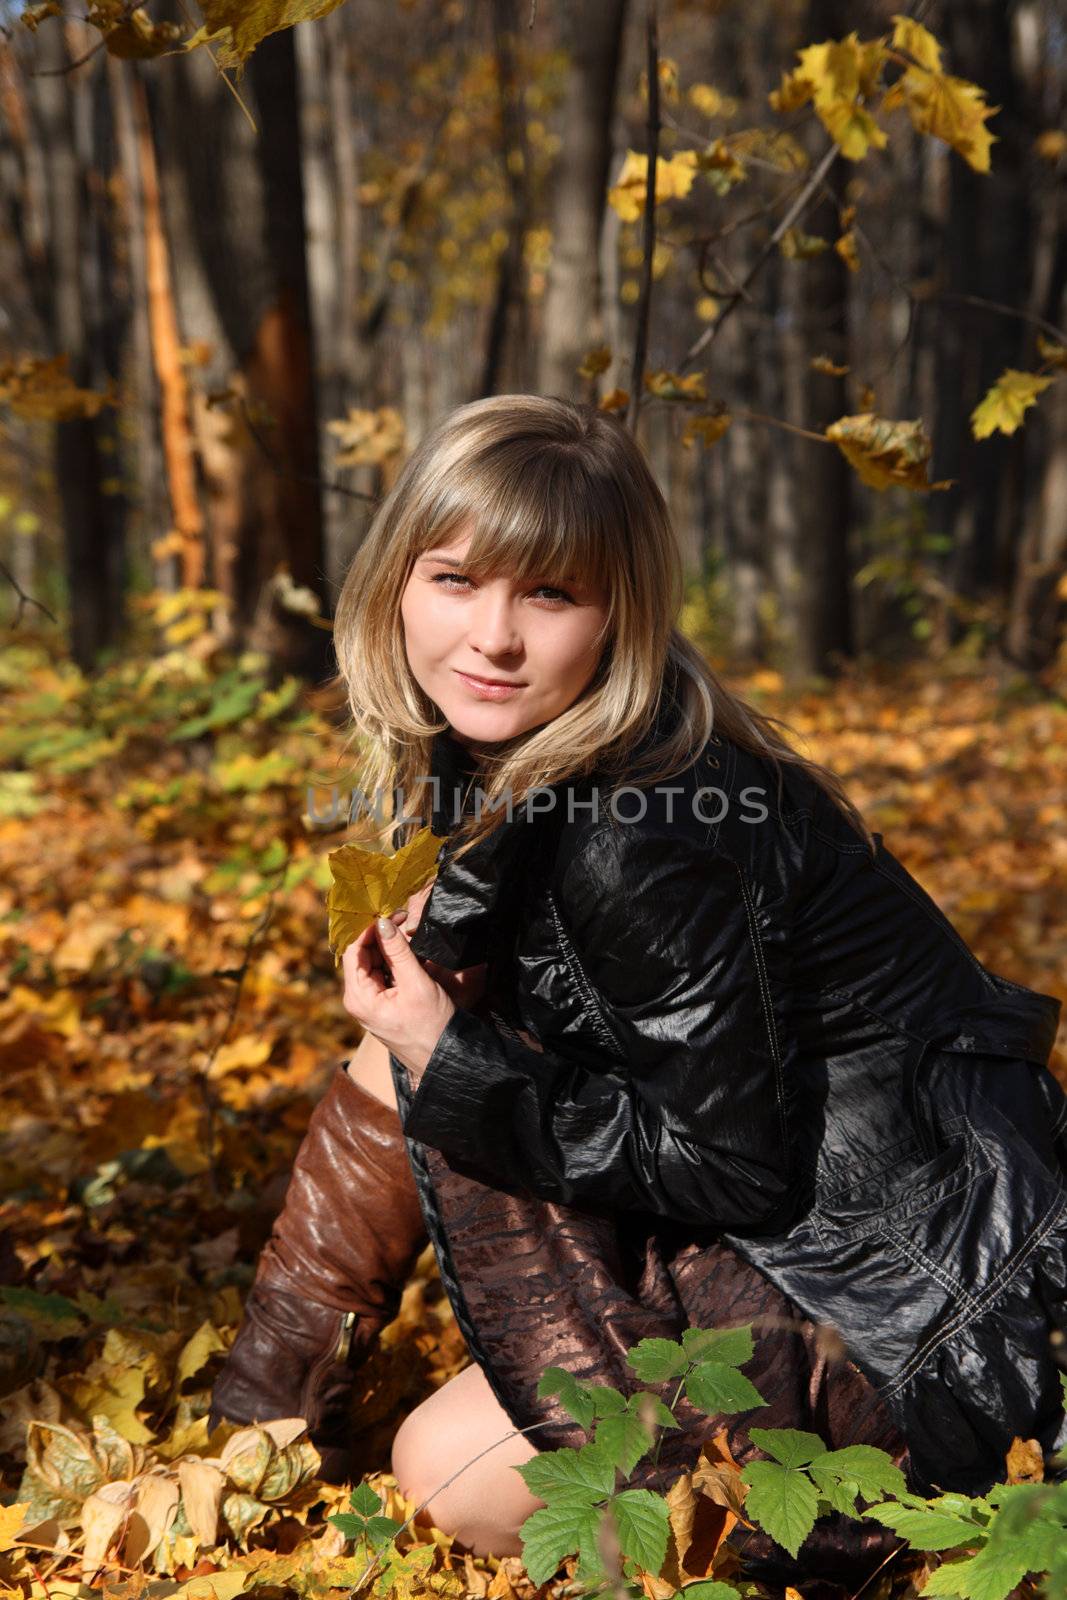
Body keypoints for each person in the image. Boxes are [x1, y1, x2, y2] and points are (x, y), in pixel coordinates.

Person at [209, 394, 1067, 1587]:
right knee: (412, 1025)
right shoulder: (508, 766)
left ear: (619, 616)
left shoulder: (642, 826)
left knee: (446, 1471)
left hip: (896, 1307)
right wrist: (436, 1039)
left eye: (548, 595)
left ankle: (876, 1524)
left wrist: (452, 1055)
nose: (492, 637)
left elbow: (732, 1165)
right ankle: (254, 1423)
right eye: (455, 579)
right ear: (394, 580)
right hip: (816, 1235)